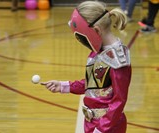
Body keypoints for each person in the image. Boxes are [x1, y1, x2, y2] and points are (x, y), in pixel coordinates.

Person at [41, 1, 132, 133]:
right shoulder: (97, 52)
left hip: (108, 127)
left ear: (96, 31)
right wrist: (63, 86)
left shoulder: (118, 60)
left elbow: (119, 101)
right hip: (92, 123)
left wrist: (101, 129)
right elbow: (93, 84)